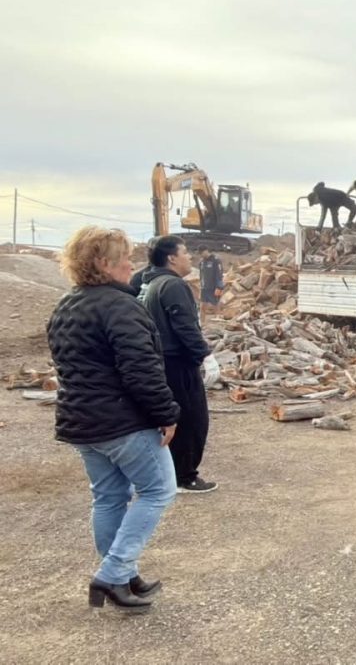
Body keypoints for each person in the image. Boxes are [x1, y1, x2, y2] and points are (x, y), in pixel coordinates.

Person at [47, 226, 181, 611]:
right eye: (124, 258)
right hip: (121, 422)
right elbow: (141, 371)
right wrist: (167, 413)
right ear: (104, 263)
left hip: (82, 422)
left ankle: (121, 576)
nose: (130, 265)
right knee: (158, 490)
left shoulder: (66, 305)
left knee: (108, 497)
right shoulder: (121, 306)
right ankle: (112, 574)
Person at [140, 236, 217, 494]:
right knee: (192, 420)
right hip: (178, 363)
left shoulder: (152, 283)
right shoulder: (173, 285)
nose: (190, 257)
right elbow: (185, 326)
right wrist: (205, 355)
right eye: (185, 252)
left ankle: (171, 472)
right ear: (171, 258)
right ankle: (185, 477)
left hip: (162, 361)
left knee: (173, 418)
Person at [197, 246, 224, 322]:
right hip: (204, 288)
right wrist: (200, 285)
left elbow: (219, 274)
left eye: (201, 253)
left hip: (214, 287)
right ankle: (202, 324)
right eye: (199, 253)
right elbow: (201, 274)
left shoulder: (215, 260)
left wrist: (219, 287)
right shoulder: (202, 262)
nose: (201, 255)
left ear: (206, 251)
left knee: (216, 306)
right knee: (202, 306)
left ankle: (218, 323)